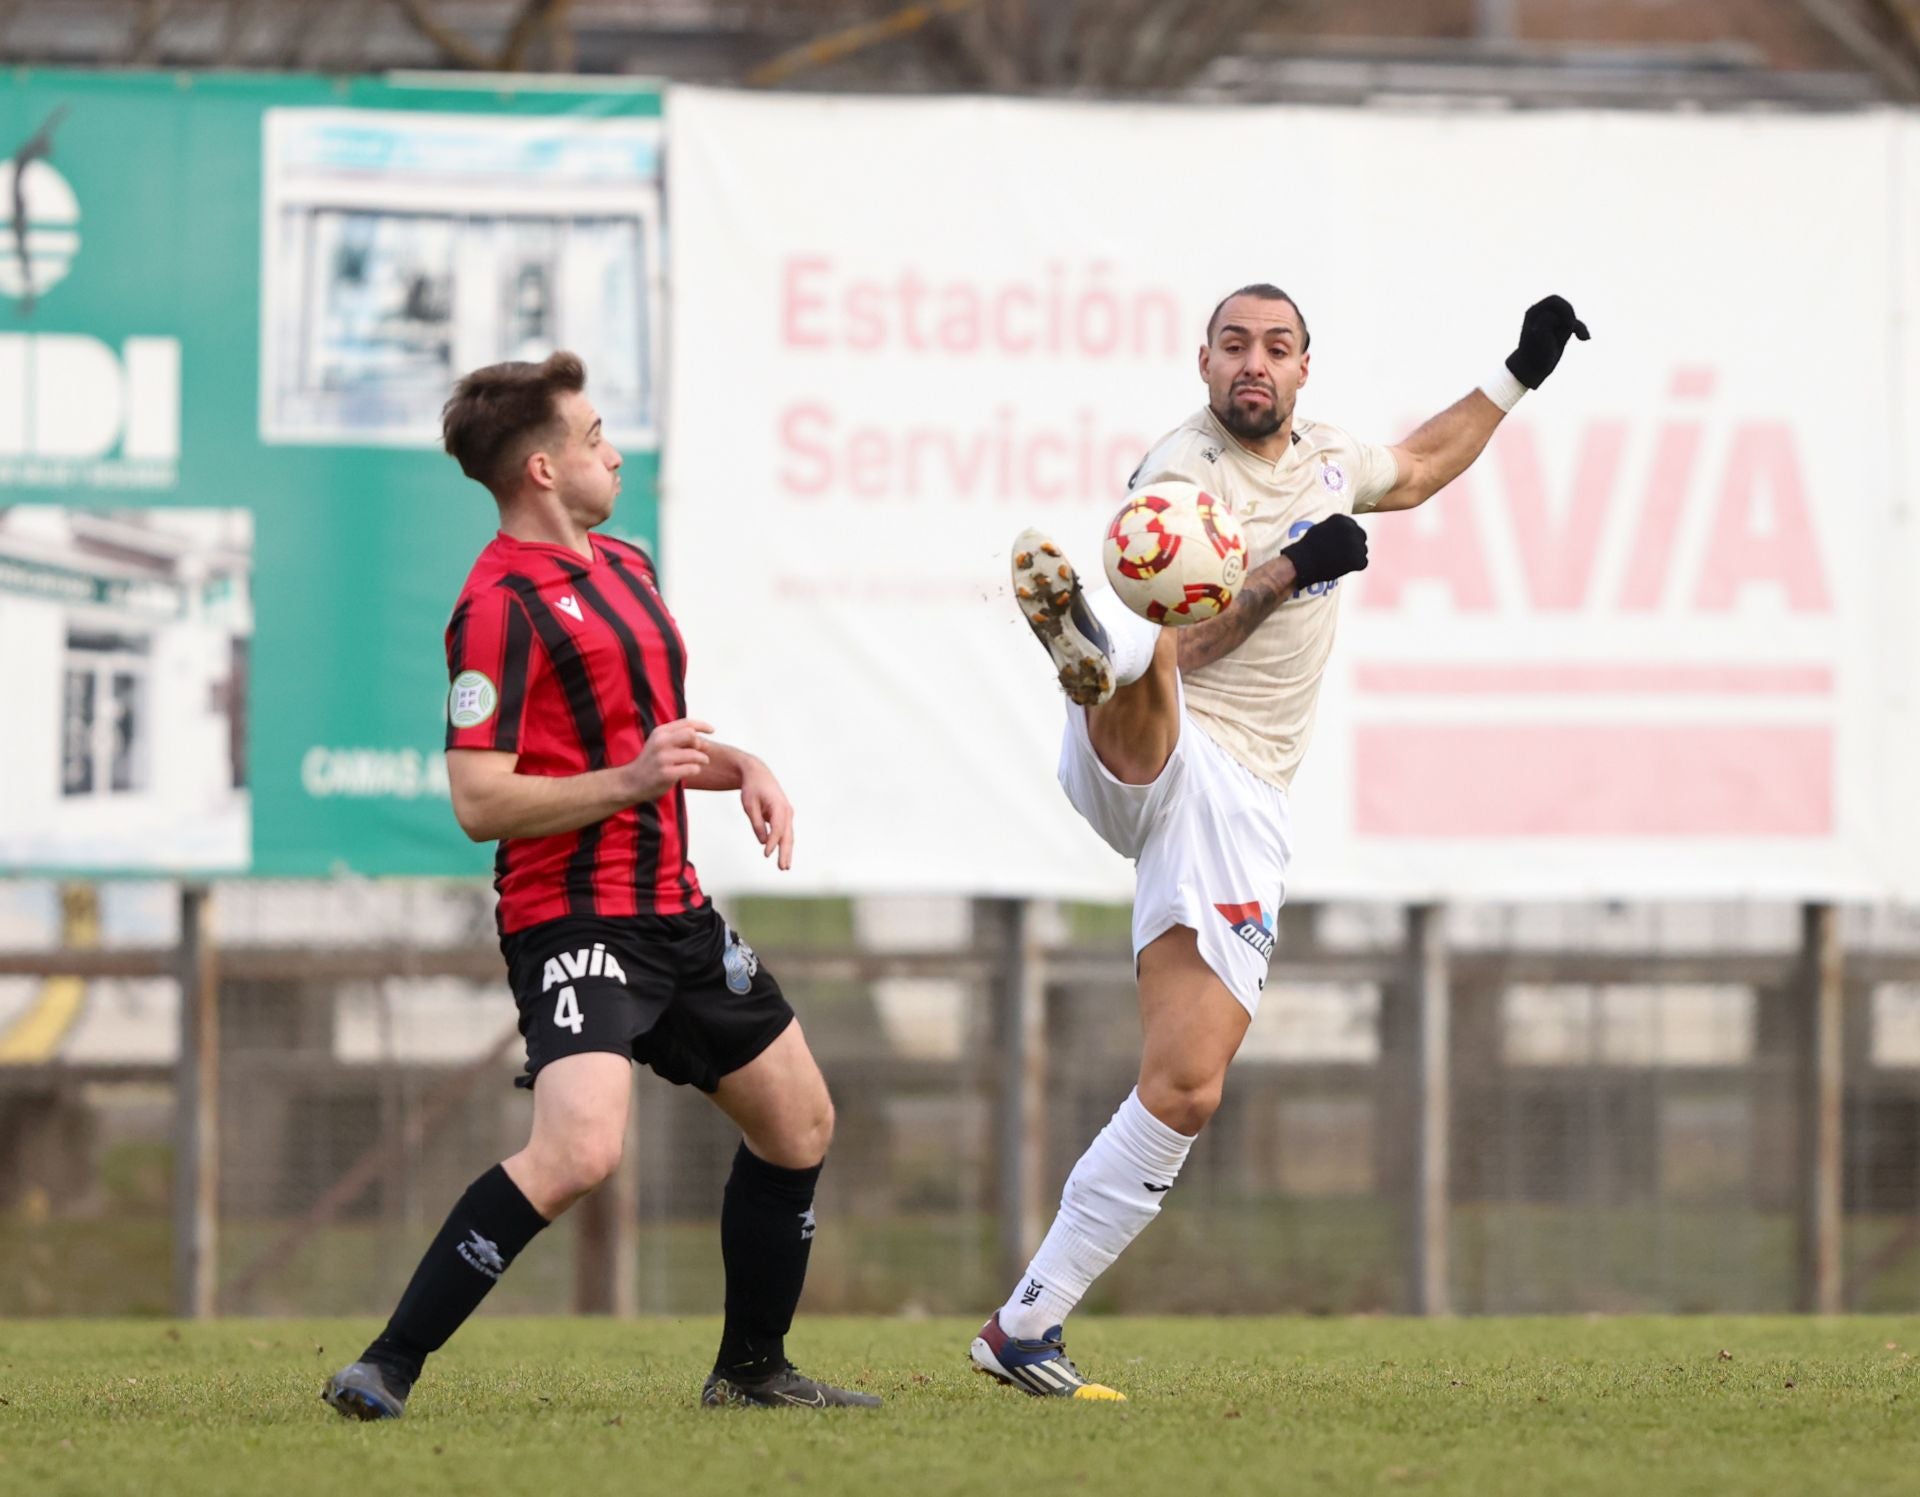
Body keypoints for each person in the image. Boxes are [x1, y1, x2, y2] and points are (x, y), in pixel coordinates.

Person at [972, 287, 1589, 1399]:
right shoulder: (1179, 476)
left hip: (1239, 802)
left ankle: (1026, 1326)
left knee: (1186, 1087)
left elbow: (1424, 460)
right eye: (1234, 347)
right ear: (1201, 362)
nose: (1253, 364)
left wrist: (1517, 374)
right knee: (1158, 659)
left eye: (1276, 347)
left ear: (1305, 369)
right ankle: (1104, 668)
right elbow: (1202, 646)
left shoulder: (1331, 458)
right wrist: (1282, 575)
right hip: (1169, 748)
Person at [324, 352, 880, 1418]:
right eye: (592, 437)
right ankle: (386, 1364)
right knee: (579, 1151)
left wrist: (745, 768)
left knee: (800, 1124)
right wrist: (630, 780)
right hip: (573, 919)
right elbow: (481, 801)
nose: (611, 451)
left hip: (675, 910)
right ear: (541, 468)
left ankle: (752, 1372)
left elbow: (650, 748)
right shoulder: (493, 608)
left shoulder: (626, 566)